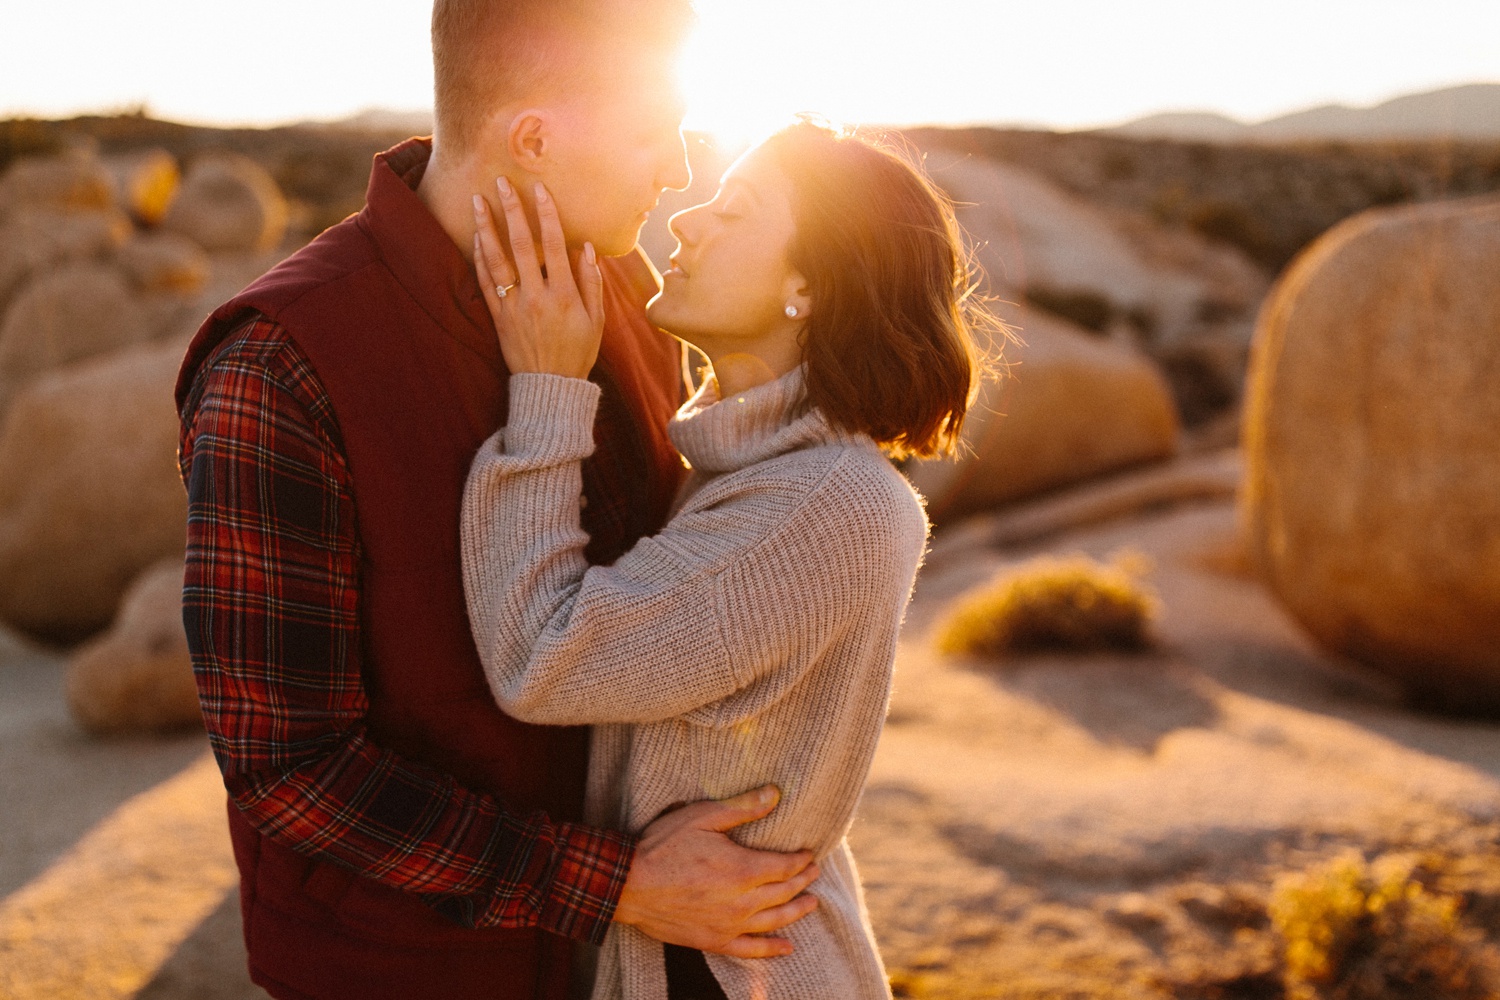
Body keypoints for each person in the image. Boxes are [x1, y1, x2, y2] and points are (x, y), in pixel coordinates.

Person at [174, 3, 822, 998]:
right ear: (533, 139)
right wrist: (615, 885)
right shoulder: (282, 364)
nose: (678, 171)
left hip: (633, 965)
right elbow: (290, 767)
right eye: (656, 133)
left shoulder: (625, 286)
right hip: (405, 974)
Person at [463, 120, 991, 999]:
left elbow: (542, 660)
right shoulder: (751, 466)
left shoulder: (826, 506)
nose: (684, 221)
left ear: (808, 286)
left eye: (733, 209)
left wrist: (548, 388)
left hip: (724, 976)